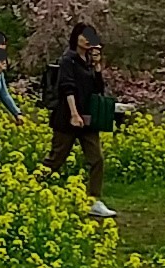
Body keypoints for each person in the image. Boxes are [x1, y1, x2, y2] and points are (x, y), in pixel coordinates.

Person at [43, 24, 117, 219]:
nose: (87, 40)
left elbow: (98, 90)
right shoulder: (68, 60)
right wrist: (74, 114)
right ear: (76, 37)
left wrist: (98, 68)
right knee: (56, 159)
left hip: (88, 119)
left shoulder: (88, 62)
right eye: (84, 36)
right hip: (68, 118)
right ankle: (31, 188)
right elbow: (67, 88)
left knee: (97, 158)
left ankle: (94, 200)